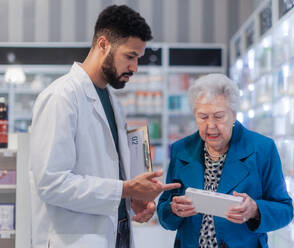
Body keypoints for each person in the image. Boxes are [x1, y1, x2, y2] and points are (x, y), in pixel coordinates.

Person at [29, 5, 180, 248]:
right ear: (103, 45)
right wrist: (125, 189)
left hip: (116, 234)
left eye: (138, 59)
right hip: (74, 239)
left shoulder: (112, 101)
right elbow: (51, 183)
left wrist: (131, 199)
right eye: (130, 57)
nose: (135, 68)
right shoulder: (61, 97)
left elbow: (106, 173)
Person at [157, 74, 293, 248]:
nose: (211, 125)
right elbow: (165, 216)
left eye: (219, 116)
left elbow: (285, 210)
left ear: (234, 115)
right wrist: (173, 210)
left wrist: (255, 210)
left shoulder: (262, 149)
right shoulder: (181, 150)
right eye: (203, 117)